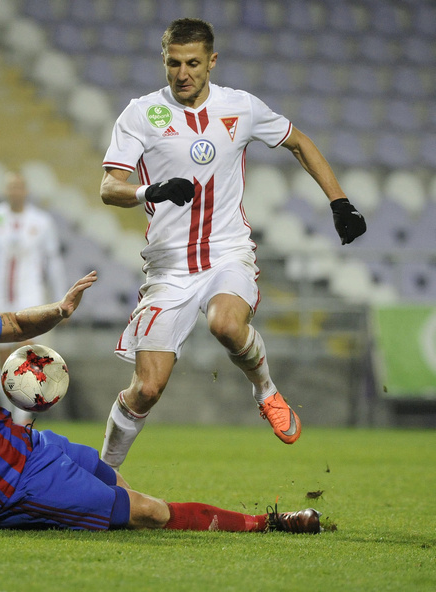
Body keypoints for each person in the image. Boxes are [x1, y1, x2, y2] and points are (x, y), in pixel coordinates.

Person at [0, 258, 321, 535]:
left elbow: (15, 324)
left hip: (31, 448)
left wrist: (59, 311)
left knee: (114, 482)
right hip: (14, 487)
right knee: (149, 514)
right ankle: (271, 522)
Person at [98, 18, 367, 470]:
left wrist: (339, 202)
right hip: (168, 267)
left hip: (227, 252)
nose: (183, 73)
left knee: (225, 323)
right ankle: (103, 476)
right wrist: (153, 191)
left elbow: (298, 142)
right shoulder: (141, 113)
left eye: (193, 63)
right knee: (146, 388)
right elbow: (109, 186)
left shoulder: (239, 107)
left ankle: (265, 389)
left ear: (212, 62)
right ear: (163, 62)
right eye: (173, 63)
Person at [0, 171, 67, 425]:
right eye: (10, 187)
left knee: (27, 349)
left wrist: (62, 298)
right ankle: (9, 408)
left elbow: (53, 262)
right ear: (5, 191)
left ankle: (22, 414)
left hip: (29, 293)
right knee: (0, 353)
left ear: (25, 191)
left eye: (19, 187)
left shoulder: (41, 221)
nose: (14, 192)